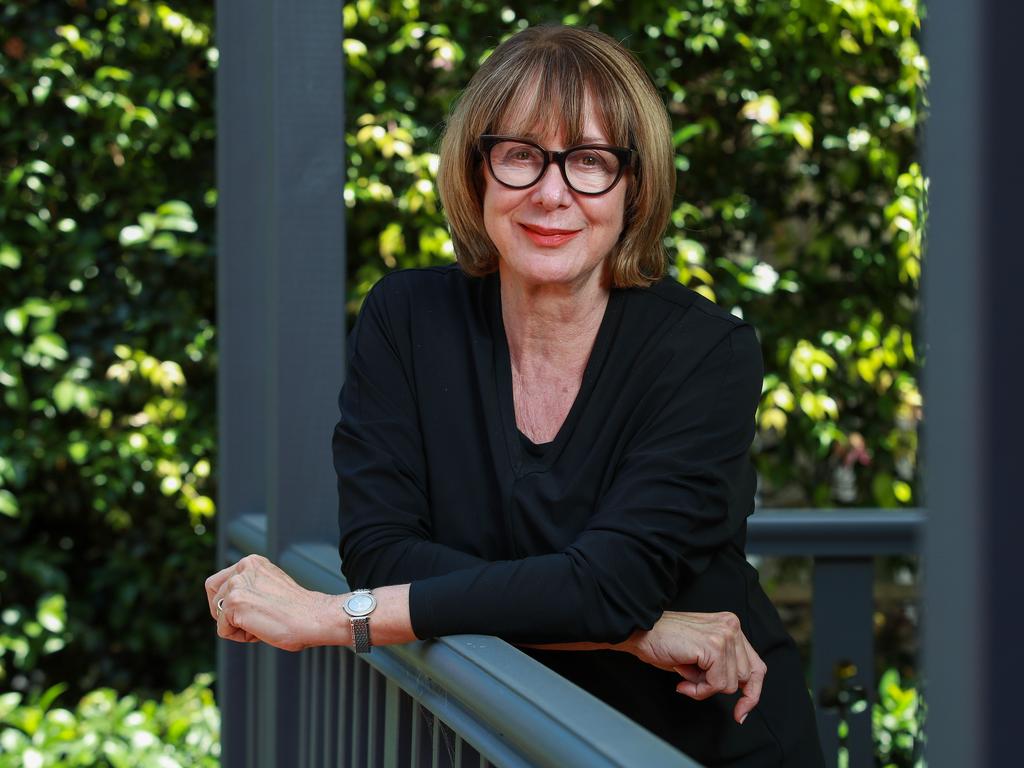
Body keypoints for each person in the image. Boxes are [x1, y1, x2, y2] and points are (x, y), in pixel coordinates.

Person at [205, 24, 824, 766]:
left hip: (696, 744)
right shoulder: (407, 320)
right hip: (511, 739)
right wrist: (635, 628)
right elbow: (380, 553)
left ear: (635, 186)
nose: (552, 192)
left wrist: (339, 619)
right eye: (521, 155)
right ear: (478, 172)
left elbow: (609, 586)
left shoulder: (704, 353)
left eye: (590, 161)